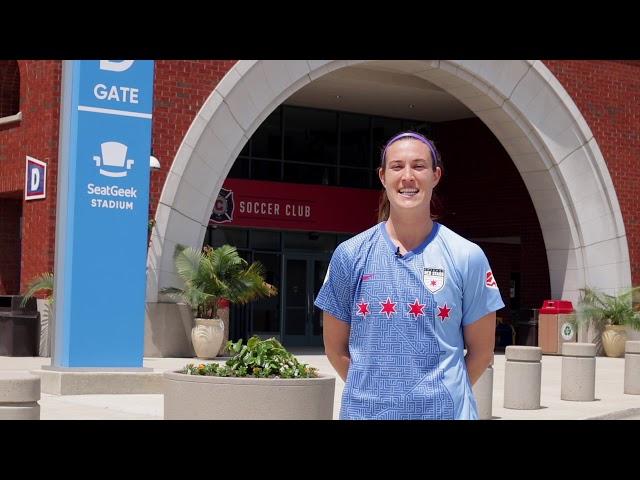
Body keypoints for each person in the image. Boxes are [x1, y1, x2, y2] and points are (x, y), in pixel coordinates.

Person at [314, 131, 504, 420]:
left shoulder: (467, 255)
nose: (407, 176)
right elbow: (334, 348)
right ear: (382, 176)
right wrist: (377, 395)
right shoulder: (349, 254)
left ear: (436, 175)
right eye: (397, 166)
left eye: (418, 166)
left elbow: (482, 353)